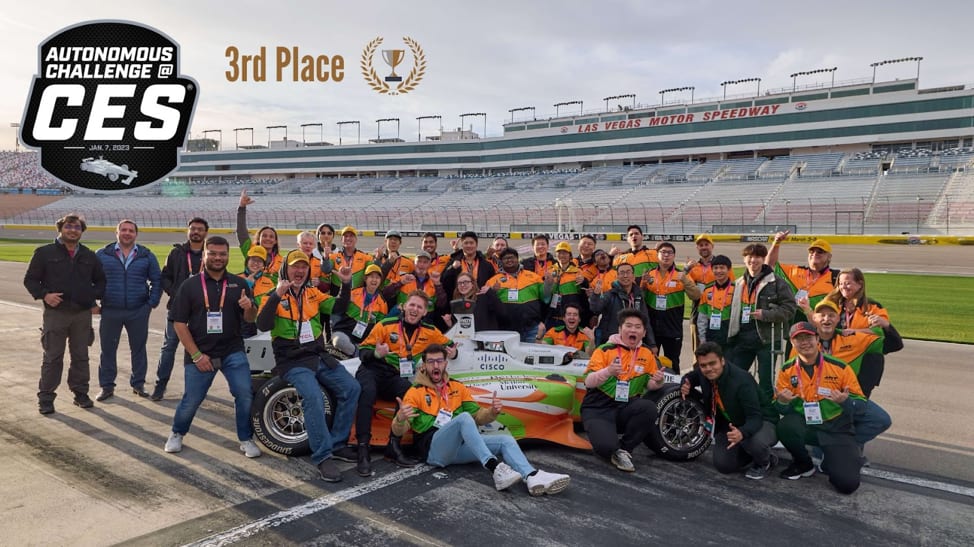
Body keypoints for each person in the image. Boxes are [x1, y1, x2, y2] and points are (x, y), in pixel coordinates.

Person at [392, 345, 571, 496]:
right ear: (424, 365)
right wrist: (400, 419)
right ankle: (495, 468)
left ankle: (531, 476)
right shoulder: (415, 392)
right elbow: (400, 429)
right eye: (430, 362)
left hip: (457, 449)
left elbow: (478, 417)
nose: (435, 365)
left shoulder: (457, 387)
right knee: (463, 418)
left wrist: (492, 412)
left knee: (505, 440)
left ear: (446, 363)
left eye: (439, 360)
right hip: (433, 450)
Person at [255, 250, 363, 482]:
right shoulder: (272, 294)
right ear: (286, 269)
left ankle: (336, 444)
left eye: (304, 267)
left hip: (318, 355)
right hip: (292, 360)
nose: (300, 270)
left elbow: (339, 308)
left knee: (351, 388)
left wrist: (346, 284)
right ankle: (323, 456)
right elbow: (263, 324)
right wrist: (277, 295)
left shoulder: (314, 294)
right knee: (313, 397)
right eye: (295, 266)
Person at [163, 236, 262, 460]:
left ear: (228, 255)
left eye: (222, 254)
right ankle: (177, 433)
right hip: (200, 352)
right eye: (213, 253)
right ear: (205, 255)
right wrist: (197, 355)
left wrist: (249, 307)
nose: (218, 258)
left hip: (232, 351)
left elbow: (250, 318)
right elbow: (179, 323)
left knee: (244, 394)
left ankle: (246, 438)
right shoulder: (190, 285)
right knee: (192, 399)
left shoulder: (240, 283)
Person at [358, 291, 458, 475]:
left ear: (425, 312)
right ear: (404, 306)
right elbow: (363, 351)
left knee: (409, 392)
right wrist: (376, 353)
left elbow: (451, 346)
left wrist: (453, 353)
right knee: (367, 392)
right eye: (412, 305)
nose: (414, 309)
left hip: (395, 376)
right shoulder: (385, 325)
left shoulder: (430, 331)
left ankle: (393, 447)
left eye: (419, 307)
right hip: (372, 369)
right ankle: (363, 450)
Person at [24, 213, 106, 414]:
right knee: (53, 357)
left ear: (82, 231)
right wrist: (45, 295)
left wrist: (90, 299)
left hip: (81, 315)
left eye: (77, 227)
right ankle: (46, 398)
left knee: (81, 356)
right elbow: (31, 280)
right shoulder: (44, 253)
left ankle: (80, 394)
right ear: (60, 228)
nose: (73, 230)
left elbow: (101, 281)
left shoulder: (88, 255)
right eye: (69, 226)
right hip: (56, 314)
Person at [775, 322, 867, 494]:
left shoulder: (840, 367)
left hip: (836, 428)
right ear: (793, 343)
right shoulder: (787, 369)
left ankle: (838, 458)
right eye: (798, 339)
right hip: (808, 425)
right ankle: (803, 464)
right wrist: (782, 402)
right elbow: (781, 410)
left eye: (808, 337)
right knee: (785, 426)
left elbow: (861, 405)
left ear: (817, 338)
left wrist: (844, 402)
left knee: (847, 485)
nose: (804, 343)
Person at [581, 309, 665, 472]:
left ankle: (625, 449)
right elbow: (588, 382)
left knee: (648, 408)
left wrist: (659, 381)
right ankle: (612, 447)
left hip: (626, 405)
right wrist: (608, 372)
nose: (633, 330)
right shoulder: (605, 350)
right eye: (629, 326)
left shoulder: (647, 354)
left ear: (644, 332)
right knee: (605, 448)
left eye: (638, 327)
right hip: (599, 406)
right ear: (620, 329)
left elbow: (650, 385)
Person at [681, 342, 779, 480]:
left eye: (712, 363)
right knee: (724, 465)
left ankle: (765, 461)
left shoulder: (742, 381)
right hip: (732, 423)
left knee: (755, 443)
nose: (708, 368)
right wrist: (685, 384)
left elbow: (755, 417)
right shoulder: (704, 373)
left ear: (722, 361)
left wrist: (742, 433)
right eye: (703, 365)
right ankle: (751, 451)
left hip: (763, 421)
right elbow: (691, 376)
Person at [809, 300, 892, 458]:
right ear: (814, 318)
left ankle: (844, 446)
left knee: (881, 419)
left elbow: (892, 344)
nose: (826, 319)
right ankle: (820, 446)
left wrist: (886, 326)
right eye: (822, 315)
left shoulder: (852, 338)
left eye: (831, 315)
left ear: (837, 320)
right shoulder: (805, 342)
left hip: (843, 396)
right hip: (815, 397)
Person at [94, 219, 162, 401]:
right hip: (110, 310)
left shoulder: (146, 255)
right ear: (116, 233)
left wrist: (151, 304)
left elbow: (157, 280)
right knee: (107, 349)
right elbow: (88, 279)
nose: (127, 233)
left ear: (136, 234)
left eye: (131, 230)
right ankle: (107, 387)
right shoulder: (102, 254)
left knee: (138, 349)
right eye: (123, 230)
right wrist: (93, 303)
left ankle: (138, 384)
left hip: (138, 310)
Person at [725, 243, 796, 403]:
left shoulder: (777, 282)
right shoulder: (738, 283)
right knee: (734, 376)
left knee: (766, 382)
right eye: (749, 256)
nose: (753, 260)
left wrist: (766, 314)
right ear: (744, 259)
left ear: (763, 259)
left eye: (757, 256)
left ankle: (768, 415)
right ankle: (744, 407)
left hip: (767, 339)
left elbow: (790, 308)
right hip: (743, 338)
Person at [823, 267, 903, 396]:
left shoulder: (872, 307)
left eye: (848, 283)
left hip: (865, 368)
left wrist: (854, 332)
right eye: (841, 283)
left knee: (857, 407)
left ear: (860, 284)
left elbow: (880, 335)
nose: (844, 287)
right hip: (837, 365)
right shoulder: (832, 305)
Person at [153, 217, 209, 400]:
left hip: (202, 312)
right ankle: (160, 385)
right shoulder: (176, 253)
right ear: (188, 231)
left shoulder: (210, 254)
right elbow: (165, 277)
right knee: (169, 347)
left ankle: (196, 389)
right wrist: (176, 293)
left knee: (199, 350)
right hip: (177, 310)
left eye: (200, 229)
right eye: (193, 228)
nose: (196, 232)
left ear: (205, 233)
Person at [639, 241, 701, 374]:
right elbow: (640, 300)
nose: (666, 255)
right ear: (657, 255)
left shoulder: (681, 275)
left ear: (674, 256)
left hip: (672, 328)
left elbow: (696, 295)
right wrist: (643, 286)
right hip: (652, 329)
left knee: (673, 363)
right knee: (648, 361)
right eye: (663, 252)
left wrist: (685, 281)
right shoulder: (648, 274)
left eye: (669, 253)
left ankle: (674, 390)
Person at [768, 231, 839, 323]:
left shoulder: (836, 277)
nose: (815, 253)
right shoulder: (795, 270)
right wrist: (776, 243)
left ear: (829, 257)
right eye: (812, 251)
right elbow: (769, 266)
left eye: (820, 251)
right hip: (792, 325)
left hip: (821, 326)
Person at [485, 248, 553, 343]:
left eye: (512, 257)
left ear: (517, 259)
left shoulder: (533, 277)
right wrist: (492, 292)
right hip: (506, 331)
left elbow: (545, 298)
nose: (509, 260)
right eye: (506, 258)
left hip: (532, 329)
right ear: (501, 262)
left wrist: (548, 285)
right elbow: (487, 306)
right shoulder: (493, 281)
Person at [588, 262, 656, 349]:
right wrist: (595, 295)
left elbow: (645, 320)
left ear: (633, 276)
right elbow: (595, 308)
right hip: (612, 342)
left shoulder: (638, 296)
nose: (625, 276)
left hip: (633, 341)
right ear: (617, 276)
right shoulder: (610, 294)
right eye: (622, 273)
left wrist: (652, 344)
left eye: (628, 272)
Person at [686, 234, 734, 352]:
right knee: (699, 351)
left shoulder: (721, 264)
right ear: (697, 248)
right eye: (700, 245)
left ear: (712, 246)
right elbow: (688, 289)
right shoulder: (693, 267)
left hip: (721, 314)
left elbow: (731, 288)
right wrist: (686, 269)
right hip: (698, 313)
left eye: (706, 244)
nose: (704, 247)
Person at [332, 264, 389, 354]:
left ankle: (356, 352)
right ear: (365, 279)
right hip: (345, 332)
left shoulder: (382, 303)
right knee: (339, 341)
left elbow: (380, 328)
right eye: (371, 277)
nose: (374, 280)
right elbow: (337, 308)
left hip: (365, 339)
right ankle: (357, 354)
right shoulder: (353, 293)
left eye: (377, 277)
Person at [236, 189, 282, 279]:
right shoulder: (250, 250)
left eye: (271, 236)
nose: (268, 238)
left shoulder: (281, 260)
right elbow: (241, 232)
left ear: (275, 241)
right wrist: (242, 207)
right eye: (264, 236)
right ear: (258, 239)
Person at [439, 271, 507, 331]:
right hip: (467, 341)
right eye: (459, 283)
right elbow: (459, 329)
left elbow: (502, 313)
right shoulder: (456, 303)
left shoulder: (484, 298)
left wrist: (490, 293)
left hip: (485, 340)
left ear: (472, 284)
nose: (462, 285)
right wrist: (450, 323)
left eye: (466, 282)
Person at [695, 254, 735, 348]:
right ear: (712, 270)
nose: (718, 271)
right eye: (715, 268)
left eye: (722, 268)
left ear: (728, 270)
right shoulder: (707, 290)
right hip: (711, 336)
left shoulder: (736, 289)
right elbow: (702, 317)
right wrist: (702, 339)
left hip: (730, 337)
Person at [441, 231, 495, 298]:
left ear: (476, 245)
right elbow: (443, 281)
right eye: (466, 243)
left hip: (481, 302)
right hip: (459, 302)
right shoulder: (453, 262)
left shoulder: (486, 265)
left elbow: (492, 283)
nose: (469, 245)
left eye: (471, 243)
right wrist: (452, 269)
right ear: (462, 245)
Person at [548, 241, 587, 330]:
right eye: (559, 253)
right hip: (554, 316)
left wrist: (584, 281)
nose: (562, 255)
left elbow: (583, 293)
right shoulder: (550, 271)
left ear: (570, 255)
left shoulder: (577, 271)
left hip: (571, 317)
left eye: (565, 253)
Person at [330, 225, 376, 292]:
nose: (348, 238)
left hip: (358, 295)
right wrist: (325, 258)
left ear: (356, 239)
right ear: (341, 240)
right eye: (345, 236)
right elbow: (325, 269)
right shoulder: (333, 257)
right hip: (337, 295)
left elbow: (373, 272)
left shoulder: (366, 257)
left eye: (351, 236)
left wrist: (377, 259)